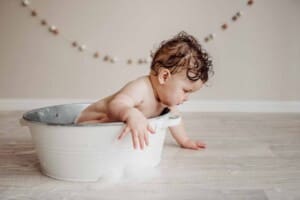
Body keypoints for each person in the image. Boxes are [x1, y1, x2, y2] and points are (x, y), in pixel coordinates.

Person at [75, 31, 214, 150]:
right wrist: (131, 114)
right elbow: (116, 104)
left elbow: (175, 120)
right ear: (164, 76)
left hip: (102, 137)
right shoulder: (141, 88)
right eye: (185, 90)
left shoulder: (167, 101)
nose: (187, 98)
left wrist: (185, 141)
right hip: (83, 127)